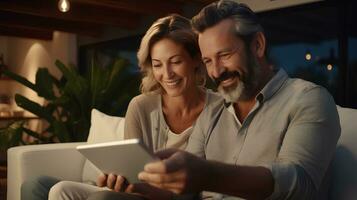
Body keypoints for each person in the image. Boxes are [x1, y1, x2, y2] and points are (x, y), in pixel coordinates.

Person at [137, 1, 341, 199]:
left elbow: (297, 184)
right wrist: (141, 187)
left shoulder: (309, 100)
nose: (216, 71)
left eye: (224, 54)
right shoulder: (212, 112)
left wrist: (208, 175)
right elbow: (186, 190)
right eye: (208, 61)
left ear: (258, 45)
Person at [21, 14, 222, 200]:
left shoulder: (219, 109)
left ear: (196, 59)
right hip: (136, 192)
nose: (167, 74)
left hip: (170, 197)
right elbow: (132, 172)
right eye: (158, 64)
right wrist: (119, 178)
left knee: (100, 198)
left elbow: (208, 184)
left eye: (176, 61)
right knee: (37, 186)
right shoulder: (141, 106)